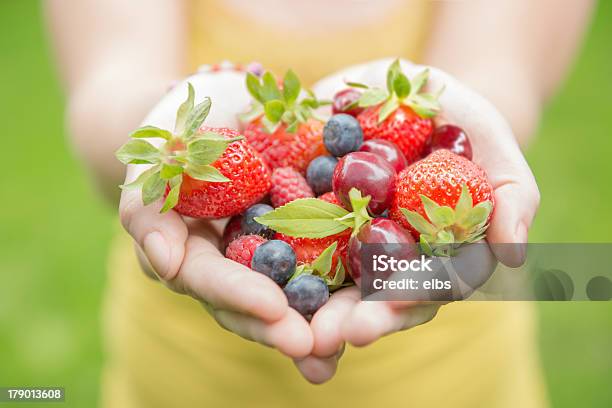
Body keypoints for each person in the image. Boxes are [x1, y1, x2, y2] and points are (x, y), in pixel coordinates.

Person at [45, 0, 594, 406]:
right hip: (184, 372)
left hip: (454, 374)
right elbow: (102, 95)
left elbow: (506, 74)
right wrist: (169, 129)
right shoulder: (268, 184)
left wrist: (459, 114)